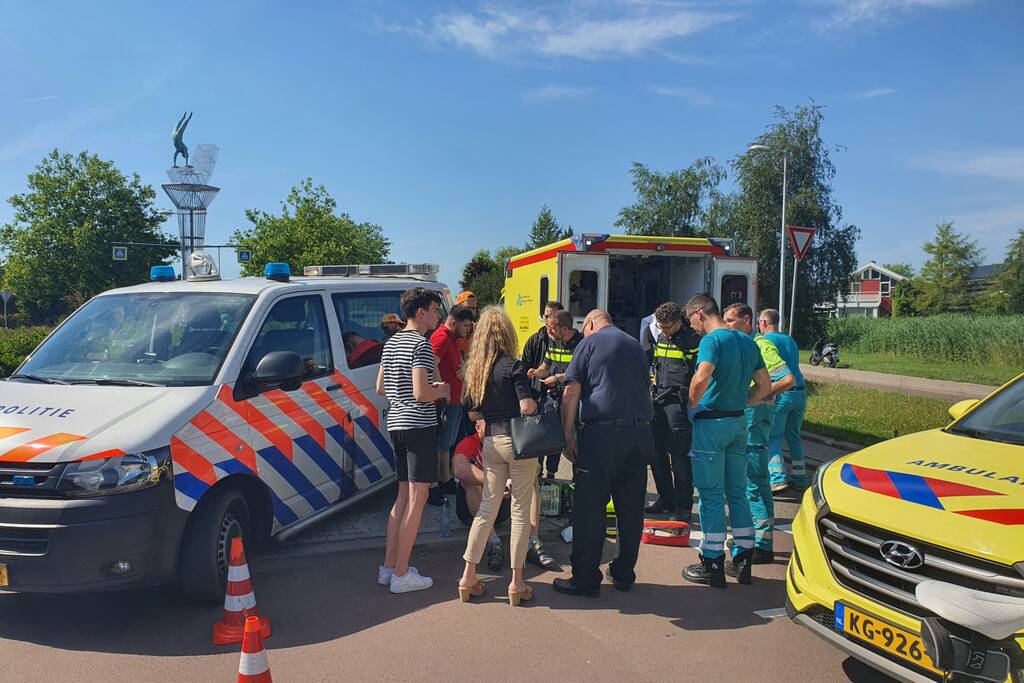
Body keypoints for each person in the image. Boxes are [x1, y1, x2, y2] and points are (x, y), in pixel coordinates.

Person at [553, 309, 654, 597]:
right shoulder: (635, 344)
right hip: (640, 433)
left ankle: (585, 579)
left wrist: (568, 435)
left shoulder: (589, 343)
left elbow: (571, 393)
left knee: (590, 508)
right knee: (631, 509)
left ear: (589, 324)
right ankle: (623, 573)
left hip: (603, 435)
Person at [682, 294, 771, 589]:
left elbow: (701, 377)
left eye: (691, 320)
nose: (692, 327)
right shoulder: (747, 341)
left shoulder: (712, 340)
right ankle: (743, 559)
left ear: (699, 314)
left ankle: (712, 562)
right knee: (737, 493)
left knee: (709, 494)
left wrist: (692, 404)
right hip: (738, 422)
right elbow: (765, 386)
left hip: (711, 424)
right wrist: (743, 402)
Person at [458, 307, 540, 606]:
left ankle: (468, 577)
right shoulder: (513, 366)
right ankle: (517, 583)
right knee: (520, 510)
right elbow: (527, 406)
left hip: (491, 442)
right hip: (518, 442)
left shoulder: (474, 369)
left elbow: (471, 411)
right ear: (507, 333)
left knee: (486, 508)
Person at [376, 287, 449, 594]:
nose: (437, 315)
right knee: (418, 500)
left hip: (396, 424)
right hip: (418, 425)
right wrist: (442, 391)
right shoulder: (420, 344)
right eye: (435, 309)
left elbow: (381, 387)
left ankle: (389, 566)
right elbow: (422, 393)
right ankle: (402, 573)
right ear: (421, 312)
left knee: (402, 497)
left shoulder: (391, 342)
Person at [722, 303, 795, 570]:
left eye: (731, 320)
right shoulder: (748, 344)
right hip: (759, 417)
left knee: (751, 481)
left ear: (747, 321)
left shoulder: (759, 345)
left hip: (754, 417)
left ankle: (756, 546)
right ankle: (764, 543)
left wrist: (753, 396)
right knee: (760, 482)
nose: (727, 325)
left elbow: (787, 379)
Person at [645, 302, 701, 522]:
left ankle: (683, 506)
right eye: (661, 326)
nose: (664, 331)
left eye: (667, 327)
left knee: (679, 456)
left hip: (678, 402)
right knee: (655, 453)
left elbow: (699, 373)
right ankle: (665, 498)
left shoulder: (692, 340)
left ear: (679, 321)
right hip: (658, 399)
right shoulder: (660, 335)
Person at [758, 309, 809, 493]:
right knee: (794, 436)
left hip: (783, 393)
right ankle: (800, 478)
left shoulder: (766, 341)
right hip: (800, 392)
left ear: (764, 323)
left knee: (773, 437)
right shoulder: (790, 340)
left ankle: (777, 479)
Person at [429, 304, 476, 500]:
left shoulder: (453, 338)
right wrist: (441, 389)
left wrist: (464, 367)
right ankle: (439, 482)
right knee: (442, 443)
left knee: (447, 443)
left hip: (455, 399)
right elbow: (430, 363)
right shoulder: (441, 338)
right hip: (447, 401)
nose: (468, 331)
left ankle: (445, 479)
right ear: (454, 323)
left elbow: (458, 361)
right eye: (466, 326)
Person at [531, 310, 583, 478]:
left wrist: (559, 378)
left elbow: (582, 372)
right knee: (547, 435)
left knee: (575, 440)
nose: (548, 331)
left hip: (574, 400)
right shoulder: (553, 342)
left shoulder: (581, 344)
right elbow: (546, 366)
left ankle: (578, 479)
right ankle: (547, 474)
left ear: (565, 329)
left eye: (552, 328)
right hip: (552, 397)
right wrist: (536, 372)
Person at [452, 419, 509, 570]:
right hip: (471, 509)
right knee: (469, 481)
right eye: (488, 425)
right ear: (478, 427)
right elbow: (459, 469)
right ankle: (494, 541)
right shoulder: (470, 442)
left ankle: (532, 541)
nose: (492, 429)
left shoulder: (504, 443)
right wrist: (493, 484)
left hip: (501, 505)